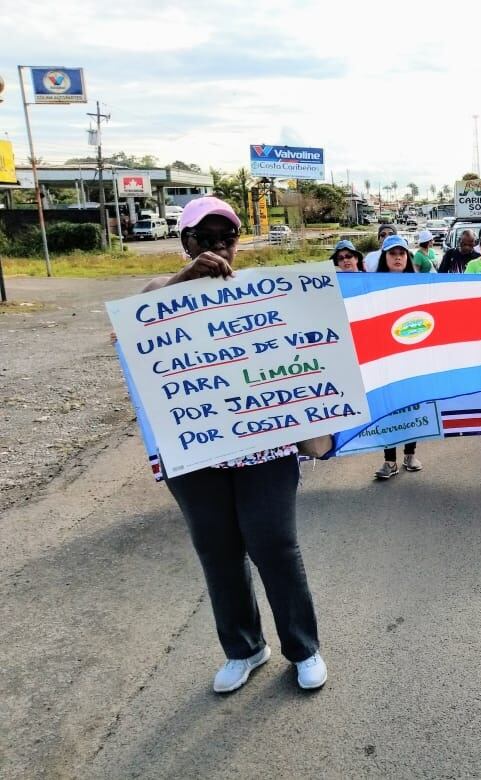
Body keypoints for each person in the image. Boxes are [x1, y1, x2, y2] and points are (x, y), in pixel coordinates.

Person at [151, 197, 327, 693]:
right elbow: (127, 336)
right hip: (194, 449)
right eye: (204, 239)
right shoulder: (155, 292)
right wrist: (185, 281)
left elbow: (307, 350)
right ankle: (245, 649)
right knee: (217, 551)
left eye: (225, 238)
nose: (216, 248)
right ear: (185, 242)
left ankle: (303, 648)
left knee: (274, 545)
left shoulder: (261, 294)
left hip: (264, 449)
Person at [373, 234, 424, 479]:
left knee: (410, 409)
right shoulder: (370, 286)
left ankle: (410, 454)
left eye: (402, 253)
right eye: (392, 253)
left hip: (411, 359)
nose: (397, 257)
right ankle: (389, 460)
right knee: (388, 410)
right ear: (384, 257)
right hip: (385, 360)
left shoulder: (419, 286)